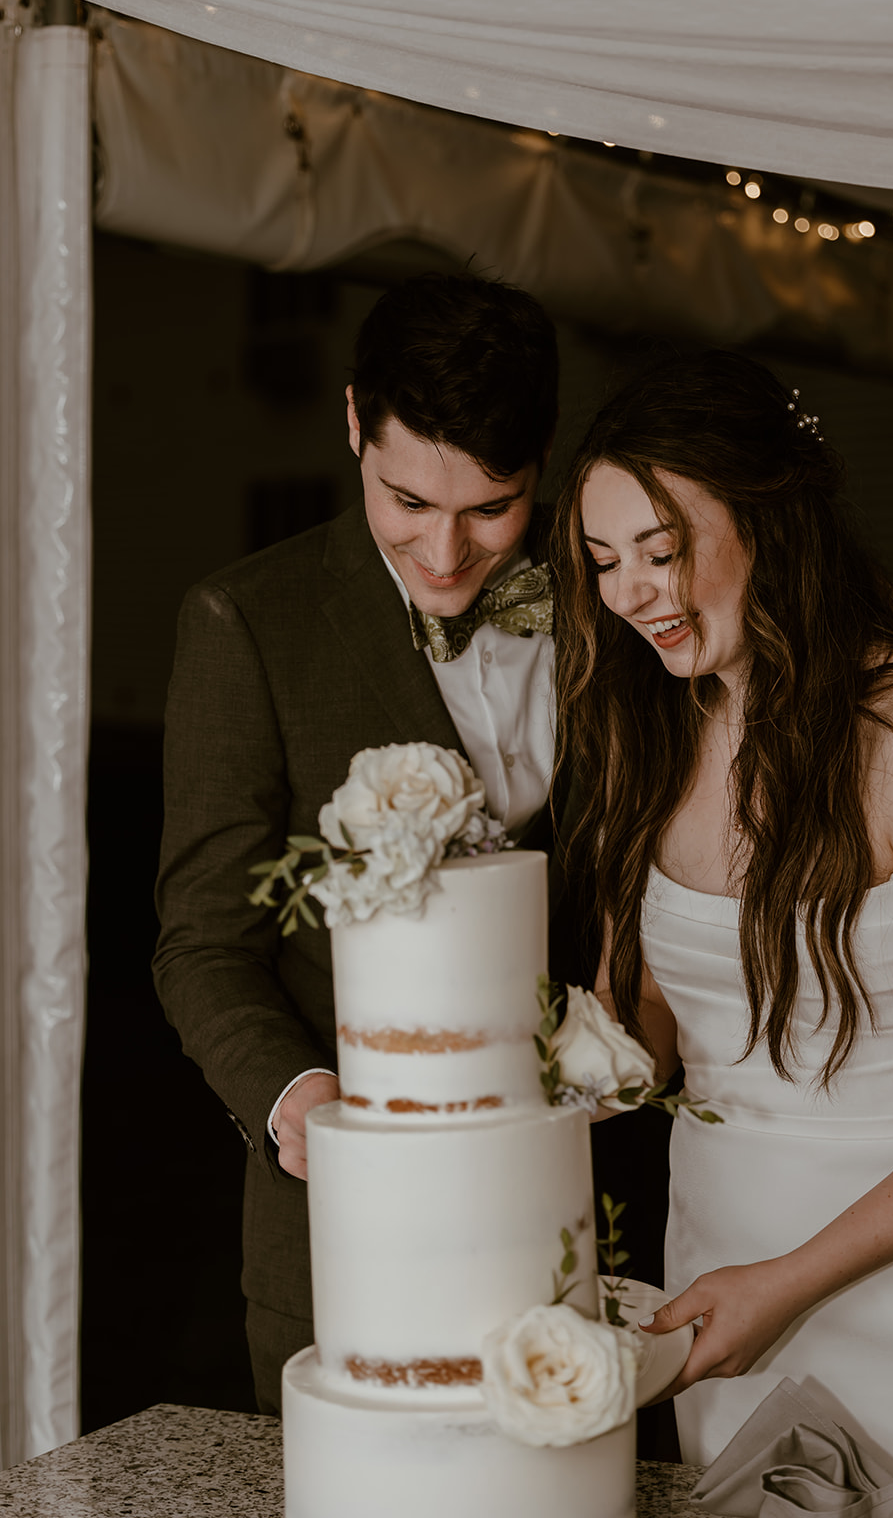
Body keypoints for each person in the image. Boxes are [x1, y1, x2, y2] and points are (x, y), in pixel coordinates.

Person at [551, 349, 893, 1497]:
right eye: (603, 561)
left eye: (662, 548)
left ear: (768, 515)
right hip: (717, 1285)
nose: (630, 590)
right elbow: (644, 1039)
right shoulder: (660, 736)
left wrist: (786, 1281)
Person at [153, 272, 561, 1414]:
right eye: (407, 501)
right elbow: (201, 941)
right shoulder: (247, 622)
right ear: (352, 423)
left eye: (492, 507)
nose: (444, 553)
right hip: (344, 1219)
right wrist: (298, 1101)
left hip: (578, 1201)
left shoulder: (604, 603)